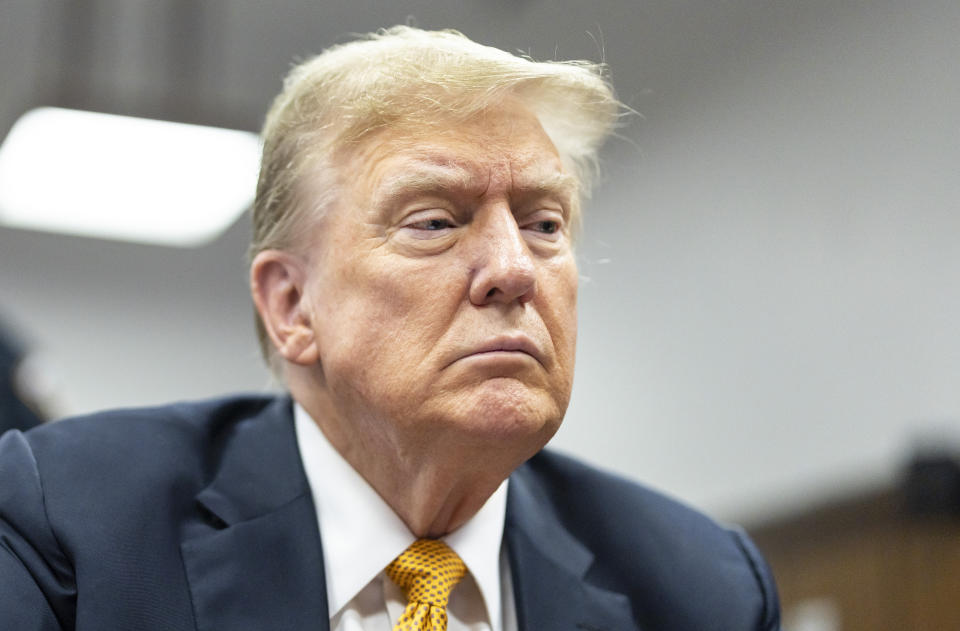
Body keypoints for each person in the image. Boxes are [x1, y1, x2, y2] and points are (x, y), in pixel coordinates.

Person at [0, 26, 781, 631]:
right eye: (436, 220)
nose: (515, 268)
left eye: (545, 223)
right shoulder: (73, 525)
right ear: (291, 305)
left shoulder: (701, 587)